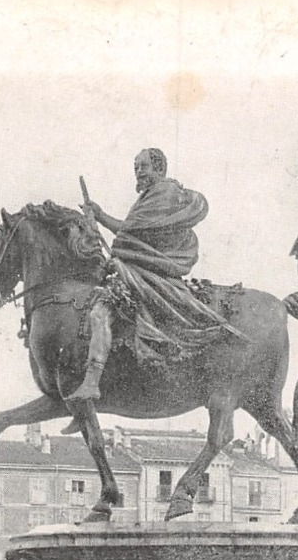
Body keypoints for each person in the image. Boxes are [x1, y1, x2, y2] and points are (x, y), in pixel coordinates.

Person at [68, 148, 210, 402]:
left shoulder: (164, 193)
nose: (138, 173)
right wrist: (99, 217)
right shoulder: (154, 194)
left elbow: (128, 233)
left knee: (99, 312)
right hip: (143, 268)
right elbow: (131, 232)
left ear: (159, 168)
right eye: (136, 168)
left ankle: (92, 382)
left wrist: (99, 219)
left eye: (142, 167)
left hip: (148, 274)